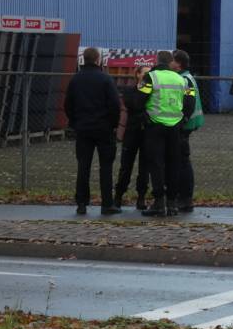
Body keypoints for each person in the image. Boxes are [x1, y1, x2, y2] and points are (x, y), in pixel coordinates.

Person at [137, 50, 195, 217]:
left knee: (156, 165)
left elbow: (139, 99)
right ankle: (172, 204)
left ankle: (159, 203)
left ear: (157, 60)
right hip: (175, 127)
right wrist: (183, 119)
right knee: (173, 165)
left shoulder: (152, 77)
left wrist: (144, 117)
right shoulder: (182, 79)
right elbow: (190, 100)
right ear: (170, 63)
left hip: (155, 126)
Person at [64, 47, 122, 215]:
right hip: (104, 129)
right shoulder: (105, 79)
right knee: (106, 167)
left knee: (83, 166)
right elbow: (115, 105)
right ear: (98, 60)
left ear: (84, 59)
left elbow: (68, 105)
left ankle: (81, 203)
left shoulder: (75, 80)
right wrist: (113, 124)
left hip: (83, 129)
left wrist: (75, 122)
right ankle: (107, 204)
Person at [170, 50, 204, 213]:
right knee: (182, 162)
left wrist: (181, 121)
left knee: (182, 163)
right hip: (187, 125)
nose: (170, 63)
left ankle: (184, 198)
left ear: (178, 64)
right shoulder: (188, 77)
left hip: (184, 127)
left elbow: (187, 104)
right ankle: (183, 198)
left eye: (172, 61)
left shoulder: (183, 80)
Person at [113, 65, 151, 211]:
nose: (147, 76)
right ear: (137, 75)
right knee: (126, 166)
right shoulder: (129, 91)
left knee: (144, 168)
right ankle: (118, 196)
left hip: (147, 132)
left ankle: (141, 198)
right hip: (132, 132)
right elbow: (134, 104)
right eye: (145, 73)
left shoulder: (152, 91)